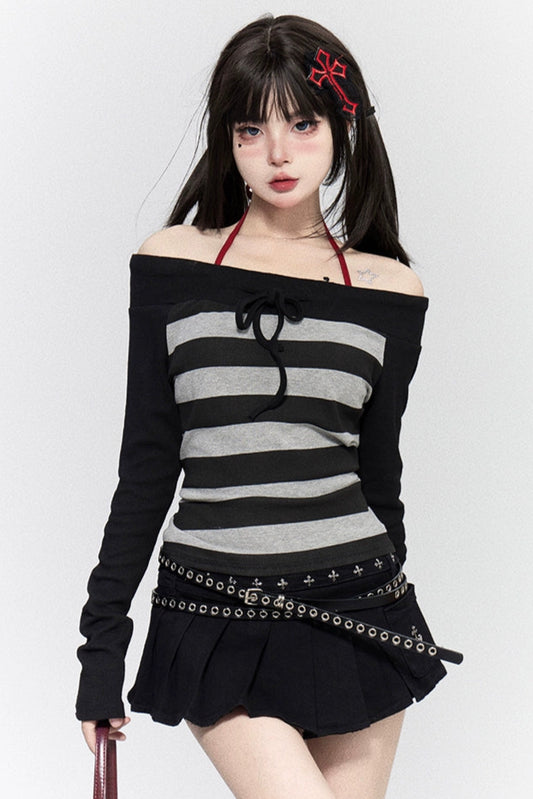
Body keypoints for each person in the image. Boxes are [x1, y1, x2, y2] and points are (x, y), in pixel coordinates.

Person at [76, 13, 460, 799]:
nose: (277, 152)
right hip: (214, 610)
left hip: (357, 605)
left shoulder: (388, 288)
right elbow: (146, 467)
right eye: (250, 128)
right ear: (227, 139)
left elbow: (378, 475)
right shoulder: (171, 263)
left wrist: (391, 610)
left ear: (342, 125)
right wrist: (100, 652)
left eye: (301, 123)